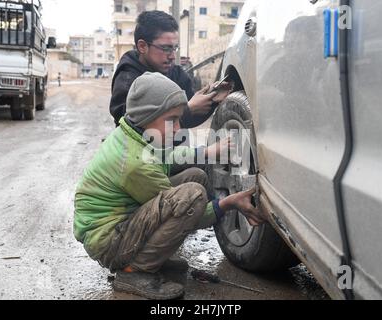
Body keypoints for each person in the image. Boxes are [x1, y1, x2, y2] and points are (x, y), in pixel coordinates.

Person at [74, 72, 264, 300]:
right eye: (172, 120)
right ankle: (134, 271)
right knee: (192, 196)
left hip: (121, 221)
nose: (177, 129)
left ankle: (149, 257)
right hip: (108, 240)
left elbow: (169, 155)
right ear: (148, 115)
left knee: (195, 177)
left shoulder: (133, 131)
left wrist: (207, 152)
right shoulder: (135, 164)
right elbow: (188, 210)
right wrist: (227, 203)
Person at [109, 10, 231, 128]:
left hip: (171, 148)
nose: (172, 56)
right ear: (142, 46)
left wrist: (211, 99)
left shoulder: (176, 74)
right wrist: (187, 110)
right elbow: (129, 125)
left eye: (174, 48)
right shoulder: (127, 78)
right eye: (166, 48)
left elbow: (188, 120)